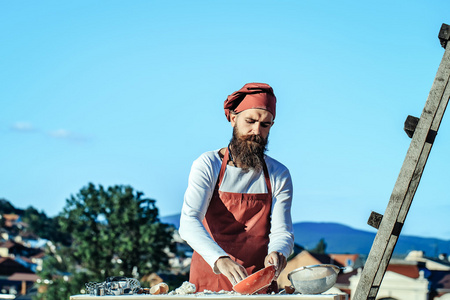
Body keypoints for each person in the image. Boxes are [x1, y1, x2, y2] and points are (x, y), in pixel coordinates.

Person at [179, 83, 294, 293]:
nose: (256, 132)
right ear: (233, 118)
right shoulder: (208, 165)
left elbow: (282, 230)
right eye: (250, 121)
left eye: (265, 125)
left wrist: (279, 251)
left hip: (259, 284)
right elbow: (188, 222)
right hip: (209, 282)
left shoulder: (279, 174)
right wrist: (220, 259)